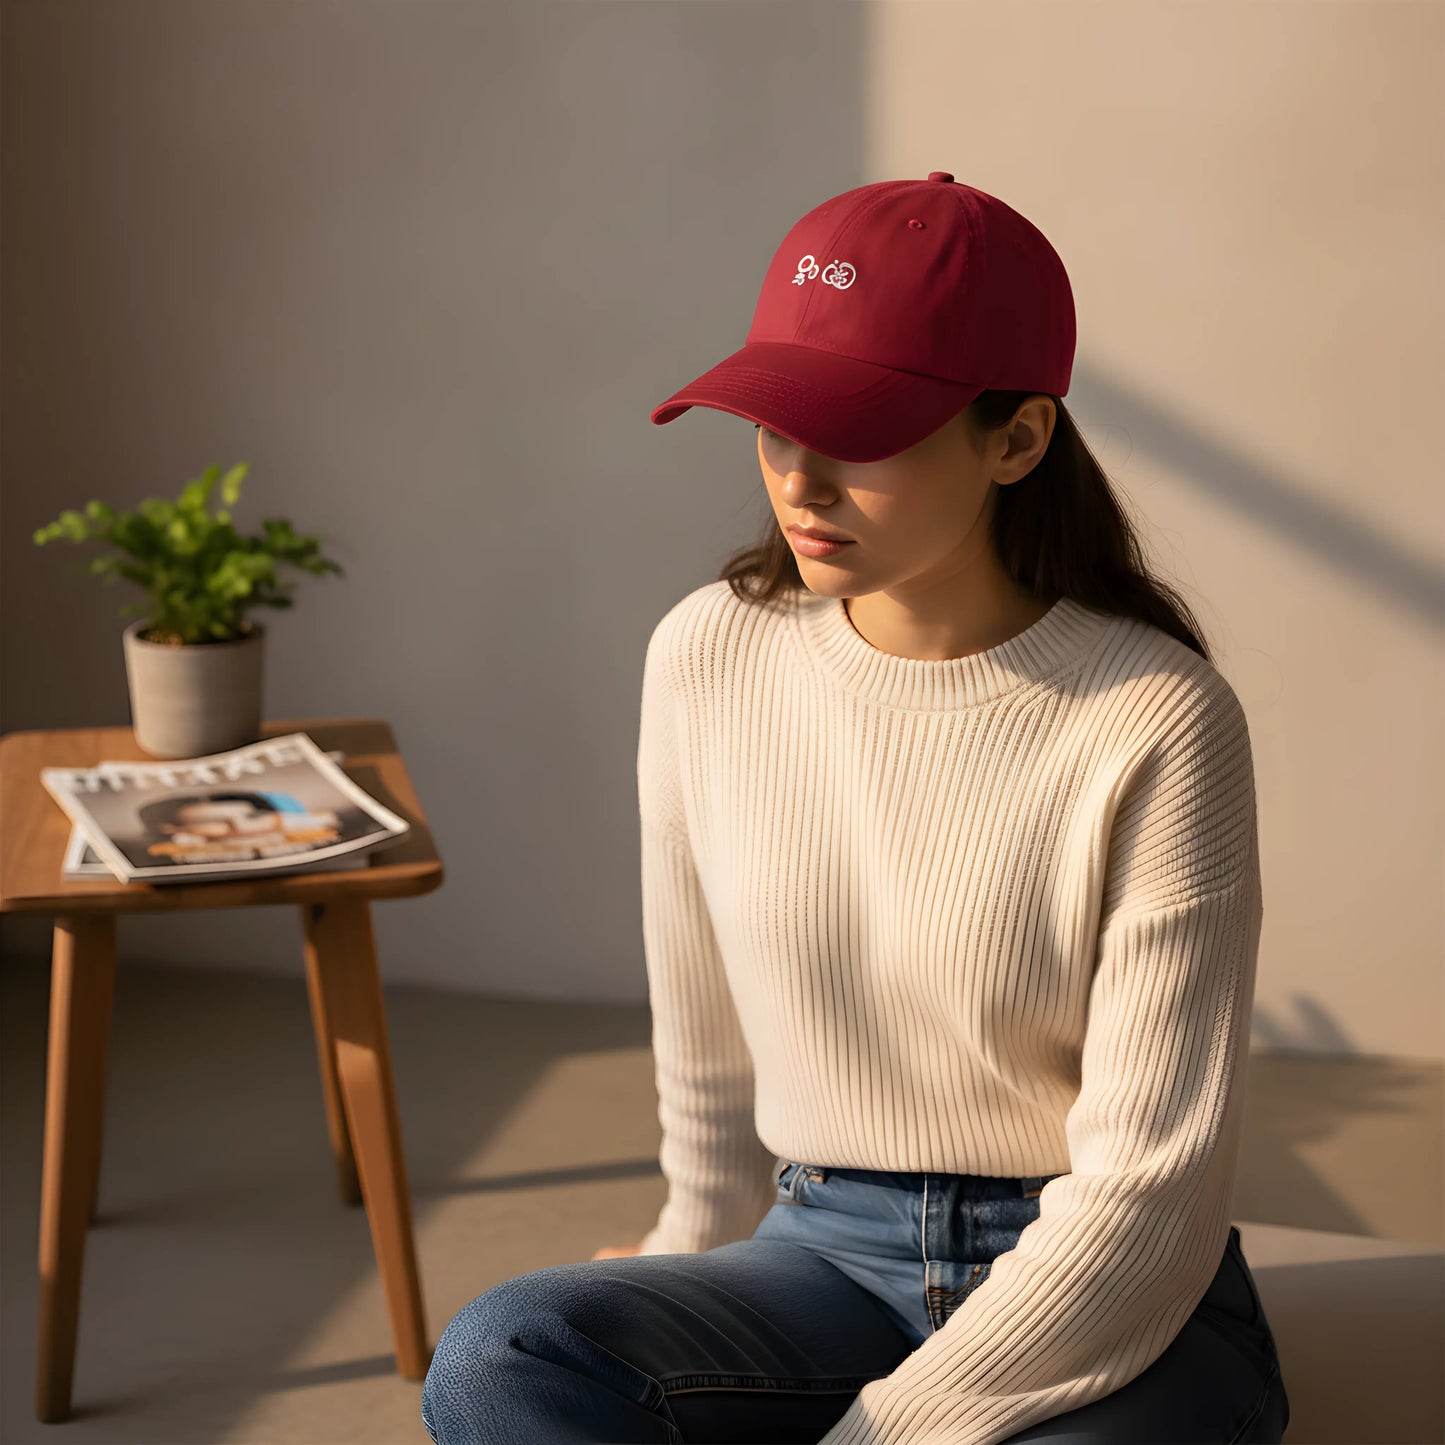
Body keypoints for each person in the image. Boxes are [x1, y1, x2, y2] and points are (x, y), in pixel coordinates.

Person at [421, 173, 1290, 1444]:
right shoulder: (708, 655)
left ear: (1018, 438)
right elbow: (702, 1025)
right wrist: (681, 1251)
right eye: (775, 423)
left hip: (1114, 1285)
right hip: (821, 1252)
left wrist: (889, 1429)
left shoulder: (1153, 716)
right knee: (505, 1356)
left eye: (862, 435)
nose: (801, 478)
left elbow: (1150, 1190)